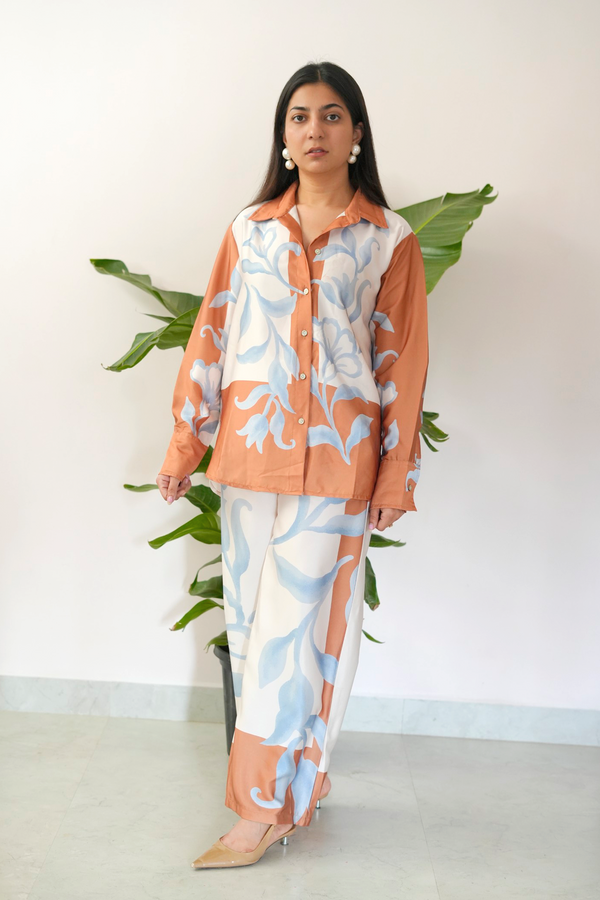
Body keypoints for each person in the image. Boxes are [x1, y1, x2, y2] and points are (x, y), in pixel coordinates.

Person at [156, 60, 429, 869]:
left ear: (357, 133)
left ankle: (257, 812)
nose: (316, 129)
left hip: (341, 466)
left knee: (297, 638)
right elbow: (211, 330)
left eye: (333, 114)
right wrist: (185, 441)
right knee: (253, 634)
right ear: (283, 136)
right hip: (248, 459)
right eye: (301, 116)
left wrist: (394, 475)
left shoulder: (390, 239)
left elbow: (401, 362)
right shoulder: (248, 231)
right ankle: (301, 781)